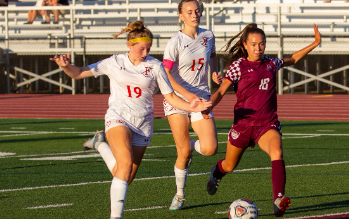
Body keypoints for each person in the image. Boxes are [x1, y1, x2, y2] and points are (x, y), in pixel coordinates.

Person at [50, 20, 211, 219]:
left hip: (142, 126)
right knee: (124, 165)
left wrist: (190, 106)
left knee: (124, 174)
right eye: (141, 48)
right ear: (130, 45)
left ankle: (100, 145)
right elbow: (78, 72)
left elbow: (169, 97)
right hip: (118, 118)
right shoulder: (114, 62)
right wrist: (66, 66)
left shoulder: (155, 66)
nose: (145, 53)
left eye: (148, 48)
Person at [205, 23, 321, 217]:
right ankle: (217, 172)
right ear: (244, 45)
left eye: (261, 44)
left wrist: (315, 43)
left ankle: (278, 198)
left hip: (266, 125)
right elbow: (221, 91)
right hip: (242, 126)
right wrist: (209, 105)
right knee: (229, 165)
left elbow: (292, 59)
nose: (258, 48)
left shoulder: (270, 63)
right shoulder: (238, 66)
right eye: (253, 44)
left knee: (277, 150)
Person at [162, 0, 223, 210]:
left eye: (197, 11)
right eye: (189, 12)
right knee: (184, 156)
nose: (194, 15)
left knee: (210, 148)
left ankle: (184, 145)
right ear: (181, 16)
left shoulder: (209, 35)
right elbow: (166, 75)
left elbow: (213, 56)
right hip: (178, 98)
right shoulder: (175, 42)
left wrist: (215, 73)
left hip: (201, 95)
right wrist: (188, 96)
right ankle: (179, 194)